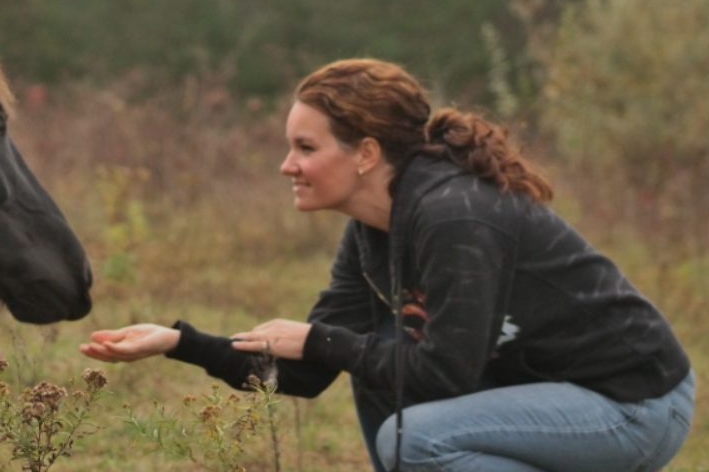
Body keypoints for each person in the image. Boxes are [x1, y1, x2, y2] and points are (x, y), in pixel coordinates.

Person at [80, 58, 695, 472]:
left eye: (305, 148)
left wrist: (325, 341)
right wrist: (181, 343)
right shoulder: (372, 231)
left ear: (366, 153)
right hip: (544, 393)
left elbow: (445, 374)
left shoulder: (455, 218)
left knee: (415, 433)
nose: (285, 165)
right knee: (379, 369)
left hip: (631, 404)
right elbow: (306, 375)